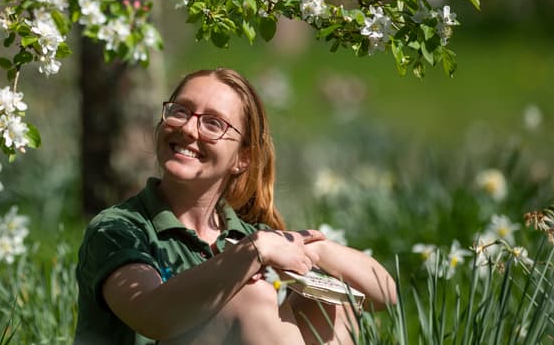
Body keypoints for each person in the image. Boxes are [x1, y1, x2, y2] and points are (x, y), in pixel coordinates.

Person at [74, 68, 397, 345]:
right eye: (180, 111)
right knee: (254, 297)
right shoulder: (119, 229)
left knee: (328, 304)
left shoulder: (249, 236)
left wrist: (311, 251)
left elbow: (384, 293)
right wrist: (253, 252)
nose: (188, 128)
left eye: (213, 123)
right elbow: (151, 315)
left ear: (243, 158)